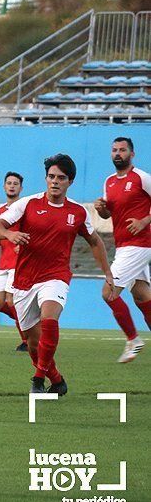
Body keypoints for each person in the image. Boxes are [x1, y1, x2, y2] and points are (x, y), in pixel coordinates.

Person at [0, 154, 114, 395]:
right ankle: (56, 380)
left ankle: (37, 379)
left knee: (49, 320)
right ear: (46, 178)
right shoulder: (27, 204)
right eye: (51, 176)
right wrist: (10, 235)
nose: (55, 181)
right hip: (24, 280)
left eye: (61, 178)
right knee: (34, 344)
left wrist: (108, 272)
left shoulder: (78, 212)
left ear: (70, 182)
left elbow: (95, 241)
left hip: (56, 276)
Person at [94, 137, 151, 363]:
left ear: (132, 154)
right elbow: (108, 215)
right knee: (141, 295)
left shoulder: (142, 178)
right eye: (115, 150)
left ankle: (133, 340)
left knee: (108, 292)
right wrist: (101, 209)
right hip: (124, 246)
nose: (118, 153)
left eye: (123, 150)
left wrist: (145, 221)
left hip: (139, 244)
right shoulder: (109, 182)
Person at [0, 172, 29, 352]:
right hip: (3, 263)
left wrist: (26, 246)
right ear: (4, 186)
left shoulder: (24, 209)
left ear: (21, 188)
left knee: (13, 301)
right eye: (9, 183)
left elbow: (32, 232)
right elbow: (0, 232)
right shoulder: (1, 211)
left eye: (15, 183)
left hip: (18, 263)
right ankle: (31, 324)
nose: (12, 186)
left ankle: (27, 341)